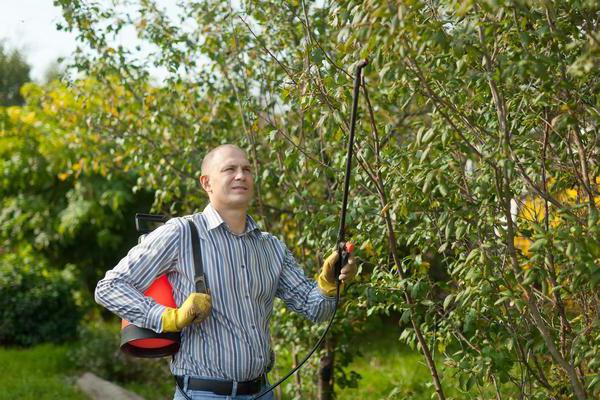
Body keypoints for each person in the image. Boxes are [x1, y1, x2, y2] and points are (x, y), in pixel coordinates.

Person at [95, 144, 357, 400]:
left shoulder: (271, 247)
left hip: (262, 391)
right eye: (229, 169)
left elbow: (315, 309)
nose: (241, 175)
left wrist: (329, 283)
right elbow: (109, 288)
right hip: (201, 393)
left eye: (247, 169)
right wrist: (168, 318)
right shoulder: (181, 233)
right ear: (206, 183)